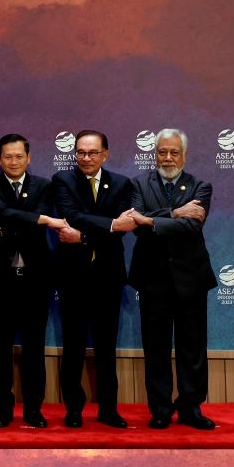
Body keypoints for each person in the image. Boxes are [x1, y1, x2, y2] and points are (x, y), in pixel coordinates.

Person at [0, 133, 64, 428]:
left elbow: (30, 226)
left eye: (19, 156)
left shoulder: (44, 186)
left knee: (34, 348)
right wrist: (36, 220)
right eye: (7, 157)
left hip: (36, 278)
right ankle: (3, 407)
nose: (13, 161)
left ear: (29, 157)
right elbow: (0, 212)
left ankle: (34, 408)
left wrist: (0, 231)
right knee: (0, 347)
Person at [128, 129, 217, 430]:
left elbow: (191, 227)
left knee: (193, 349)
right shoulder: (138, 183)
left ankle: (191, 408)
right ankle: (161, 409)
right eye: (162, 151)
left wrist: (152, 219)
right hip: (152, 280)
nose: (167, 158)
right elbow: (136, 225)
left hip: (191, 280)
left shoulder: (200, 187)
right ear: (154, 153)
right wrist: (175, 212)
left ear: (184, 155)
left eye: (173, 152)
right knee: (156, 349)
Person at [53, 130, 135, 429]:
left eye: (92, 153)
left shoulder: (123, 184)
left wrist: (85, 236)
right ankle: (73, 409)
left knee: (106, 347)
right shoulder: (63, 180)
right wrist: (110, 225)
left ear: (105, 154)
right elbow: (71, 216)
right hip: (73, 278)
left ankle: (109, 409)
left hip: (108, 278)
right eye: (80, 152)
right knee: (73, 347)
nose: (85, 158)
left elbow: (123, 230)